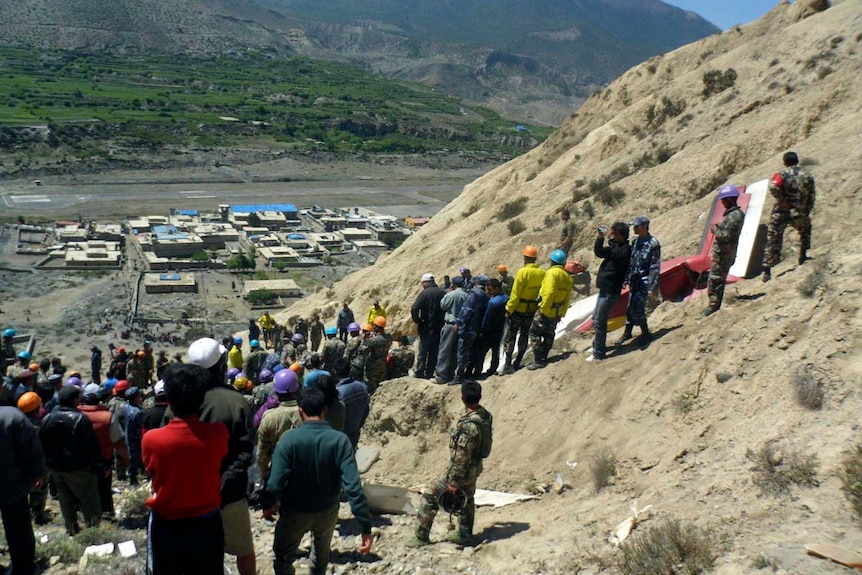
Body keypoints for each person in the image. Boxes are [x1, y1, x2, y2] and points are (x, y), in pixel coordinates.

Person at [261, 386, 373, 575]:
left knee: (283, 557)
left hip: (294, 511)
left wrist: (268, 504)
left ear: (300, 411)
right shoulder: (340, 440)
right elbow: (353, 487)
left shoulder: (289, 440)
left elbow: (275, 483)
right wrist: (365, 525)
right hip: (327, 511)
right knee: (321, 558)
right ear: (325, 410)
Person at [143, 363, 229, 575]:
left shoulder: (151, 439)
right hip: (206, 521)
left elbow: (151, 471)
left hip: (167, 522)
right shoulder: (219, 433)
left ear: (169, 400)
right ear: (201, 400)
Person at [186, 337, 257, 575]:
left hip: (192, 493)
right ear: (221, 366)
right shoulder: (235, 401)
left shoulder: (181, 401)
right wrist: (223, 483)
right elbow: (246, 451)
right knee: (243, 550)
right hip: (230, 493)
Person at [408, 381, 492, 547]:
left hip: (463, 471)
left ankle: (421, 536)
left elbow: (462, 457)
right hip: (475, 468)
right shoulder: (484, 415)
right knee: (467, 497)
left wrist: (453, 482)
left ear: (462, 398)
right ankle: (464, 533)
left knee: (430, 495)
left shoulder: (468, 426)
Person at [38, 386, 105, 535]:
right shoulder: (80, 419)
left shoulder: (47, 418)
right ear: (75, 400)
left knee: (64, 498)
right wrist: (101, 464)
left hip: (56, 468)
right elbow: (91, 445)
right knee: (89, 499)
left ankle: (71, 529)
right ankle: (93, 532)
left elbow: (41, 443)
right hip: (79, 468)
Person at [0, 404, 45, 575]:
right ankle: (23, 568)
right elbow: (30, 450)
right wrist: (37, 474)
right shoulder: (12, 416)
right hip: (11, 485)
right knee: (18, 528)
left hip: (11, 484)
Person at [762, 151, 816, 282]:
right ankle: (803, 255)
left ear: (785, 162)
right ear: (797, 161)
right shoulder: (807, 175)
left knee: (773, 238)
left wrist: (782, 200)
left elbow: (773, 186)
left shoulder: (782, 174)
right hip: (800, 210)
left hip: (782, 211)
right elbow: (812, 195)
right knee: (805, 231)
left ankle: (767, 271)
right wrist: (806, 210)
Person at [79, 383, 127, 519]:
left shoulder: (75, 414)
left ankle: (87, 516)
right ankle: (106, 515)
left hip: (80, 462)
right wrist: (127, 459)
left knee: (85, 491)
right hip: (103, 461)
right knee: (104, 491)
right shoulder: (107, 416)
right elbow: (118, 442)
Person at [587, 223, 632, 362]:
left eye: (615, 233)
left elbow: (613, 253)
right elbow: (600, 252)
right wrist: (601, 238)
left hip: (611, 291)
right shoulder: (616, 246)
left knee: (600, 321)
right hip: (605, 289)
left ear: (621, 235)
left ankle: (598, 353)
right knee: (596, 319)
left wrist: (610, 239)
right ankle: (597, 345)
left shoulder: (625, 250)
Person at [616, 216, 661, 347]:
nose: (634, 228)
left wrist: (652, 287)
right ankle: (627, 332)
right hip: (634, 280)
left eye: (637, 226)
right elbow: (631, 262)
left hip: (644, 281)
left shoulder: (653, 244)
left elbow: (654, 266)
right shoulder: (636, 242)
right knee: (630, 307)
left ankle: (646, 333)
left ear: (644, 227)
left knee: (638, 308)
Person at [527, 250, 573, 370]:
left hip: (546, 310)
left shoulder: (551, 273)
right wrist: (561, 313)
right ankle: (544, 357)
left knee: (534, 332)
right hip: (557, 311)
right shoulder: (567, 277)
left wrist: (544, 309)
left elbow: (549, 293)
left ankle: (538, 360)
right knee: (549, 334)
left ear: (552, 261)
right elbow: (567, 298)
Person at [503, 246, 545, 373]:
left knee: (510, 336)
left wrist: (509, 309)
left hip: (518, 310)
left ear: (525, 258)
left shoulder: (522, 272)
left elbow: (515, 294)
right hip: (531, 309)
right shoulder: (542, 273)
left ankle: (507, 365)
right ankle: (518, 361)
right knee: (524, 335)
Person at [705, 185, 745, 316]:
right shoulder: (734, 215)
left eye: (723, 200)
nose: (722, 203)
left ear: (729, 200)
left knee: (715, 280)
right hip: (724, 254)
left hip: (724, 255)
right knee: (717, 280)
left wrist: (715, 229)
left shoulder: (734, 217)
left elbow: (724, 236)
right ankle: (714, 306)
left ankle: (713, 308)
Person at [256, 369, 302, 479]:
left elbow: (262, 453)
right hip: (303, 469)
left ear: (276, 392)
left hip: (277, 470)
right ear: (297, 389)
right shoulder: (307, 413)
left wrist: (263, 471)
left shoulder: (269, 417)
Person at [455, 275, 490, 383]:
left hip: (468, 328)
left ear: (476, 282)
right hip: (477, 329)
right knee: (474, 351)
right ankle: (470, 373)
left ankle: (459, 376)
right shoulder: (486, 296)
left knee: (462, 352)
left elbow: (467, 310)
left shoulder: (474, 294)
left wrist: (459, 323)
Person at [434, 276, 469, 385]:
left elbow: (443, 305)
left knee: (444, 351)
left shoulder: (451, 294)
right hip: (461, 326)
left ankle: (441, 376)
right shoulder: (467, 295)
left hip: (450, 325)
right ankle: (450, 374)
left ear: (453, 284)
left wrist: (447, 293)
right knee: (455, 351)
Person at [411, 272, 445, 378]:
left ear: (426, 282)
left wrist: (418, 320)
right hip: (439, 326)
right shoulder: (442, 292)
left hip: (426, 326)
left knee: (423, 350)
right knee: (434, 351)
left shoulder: (425, 293)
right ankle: (430, 372)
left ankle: (420, 371)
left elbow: (414, 308)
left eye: (423, 283)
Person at [473, 278, 508, 377]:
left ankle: (477, 372)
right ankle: (493, 369)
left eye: (490, 289)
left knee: (482, 352)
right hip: (501, 329)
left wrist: (482, 330)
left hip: (489, 331)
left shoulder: (492, 302)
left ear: (497, 288)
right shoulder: (506, 298)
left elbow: (486, 318)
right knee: (496, 351)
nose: (488, 292)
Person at [333, 358, 370, 451]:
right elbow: (366, 410)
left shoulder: (338, 393)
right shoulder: (362, 387)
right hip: (355, 430)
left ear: (335, 372)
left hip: (342, 434)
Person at [361, 317, 392, 393]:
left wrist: (365, 338)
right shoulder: (389, 338)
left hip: (373, 367)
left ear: (376, 327)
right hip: (383, 365)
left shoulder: (374, 340)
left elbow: (364, 346)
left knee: (371, 387)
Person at [123, 387, 144, 485]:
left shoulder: (126, 407)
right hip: (135, 440)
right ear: (136, 397)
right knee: (135, 459)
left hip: (127, 437)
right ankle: (133, 480)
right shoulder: (137, 412)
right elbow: (140, 431)